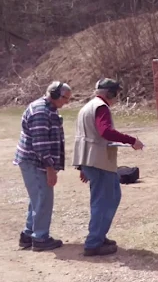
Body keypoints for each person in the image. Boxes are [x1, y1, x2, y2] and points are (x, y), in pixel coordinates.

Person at [73, 78, 144, 256]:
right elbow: (105, 132)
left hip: (91, 160)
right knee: (104, 201)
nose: (117, 97)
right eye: (116, 93)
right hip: (99, 161)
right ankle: (94, 242)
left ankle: (98, 235)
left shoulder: (87, 107)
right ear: (110, 93)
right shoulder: (101, 107)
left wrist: (83, 166)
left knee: (108, 198)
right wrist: (131, 140)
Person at [14, 81, 72, 251]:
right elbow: (40, 145)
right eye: (64, 98)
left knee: (37, 198)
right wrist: (50, 169)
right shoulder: (40, 111)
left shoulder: (49, 109)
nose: (66, 102)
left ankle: (28, 234)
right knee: (43, 199)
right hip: (35, 162)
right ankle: (40, 238)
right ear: (53, 94)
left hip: (35, 162)